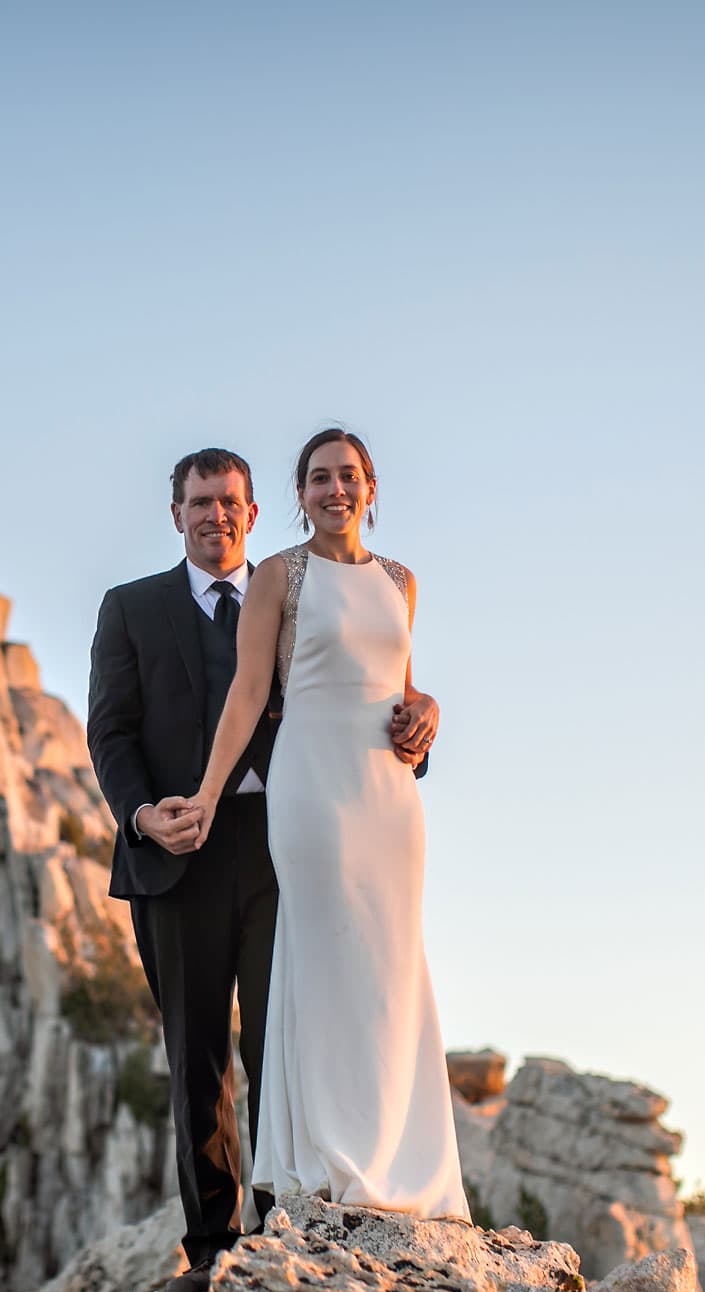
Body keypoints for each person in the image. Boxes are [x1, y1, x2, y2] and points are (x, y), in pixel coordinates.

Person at [86, 448, 439, 1292]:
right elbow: (111, 732)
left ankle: (285, 1225)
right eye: (200, 502)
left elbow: (361, 685)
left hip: (289, 840)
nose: (217, 516)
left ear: (252, 512)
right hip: (178, 853)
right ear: (176, 513)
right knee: (198, 1055)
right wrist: (143, 816)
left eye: (230, 503)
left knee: (284, 1036)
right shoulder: (130, 608)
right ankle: (210, 1248)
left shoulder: (294, 586)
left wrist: (421, 719)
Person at [180, 428, 469, 1221]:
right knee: (327, 957)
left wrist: (430, 709)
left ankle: (404, 1168)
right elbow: (247, 693)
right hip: (312, 789)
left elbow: (398, 686)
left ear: (370, 486)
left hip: (389, 796)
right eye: (317, 478)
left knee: (391, 964)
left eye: (348, 475)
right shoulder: (280, 574)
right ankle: (334, 1165)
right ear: (300, 494)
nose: (334, 489)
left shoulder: (402, 581)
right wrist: (207, 795)